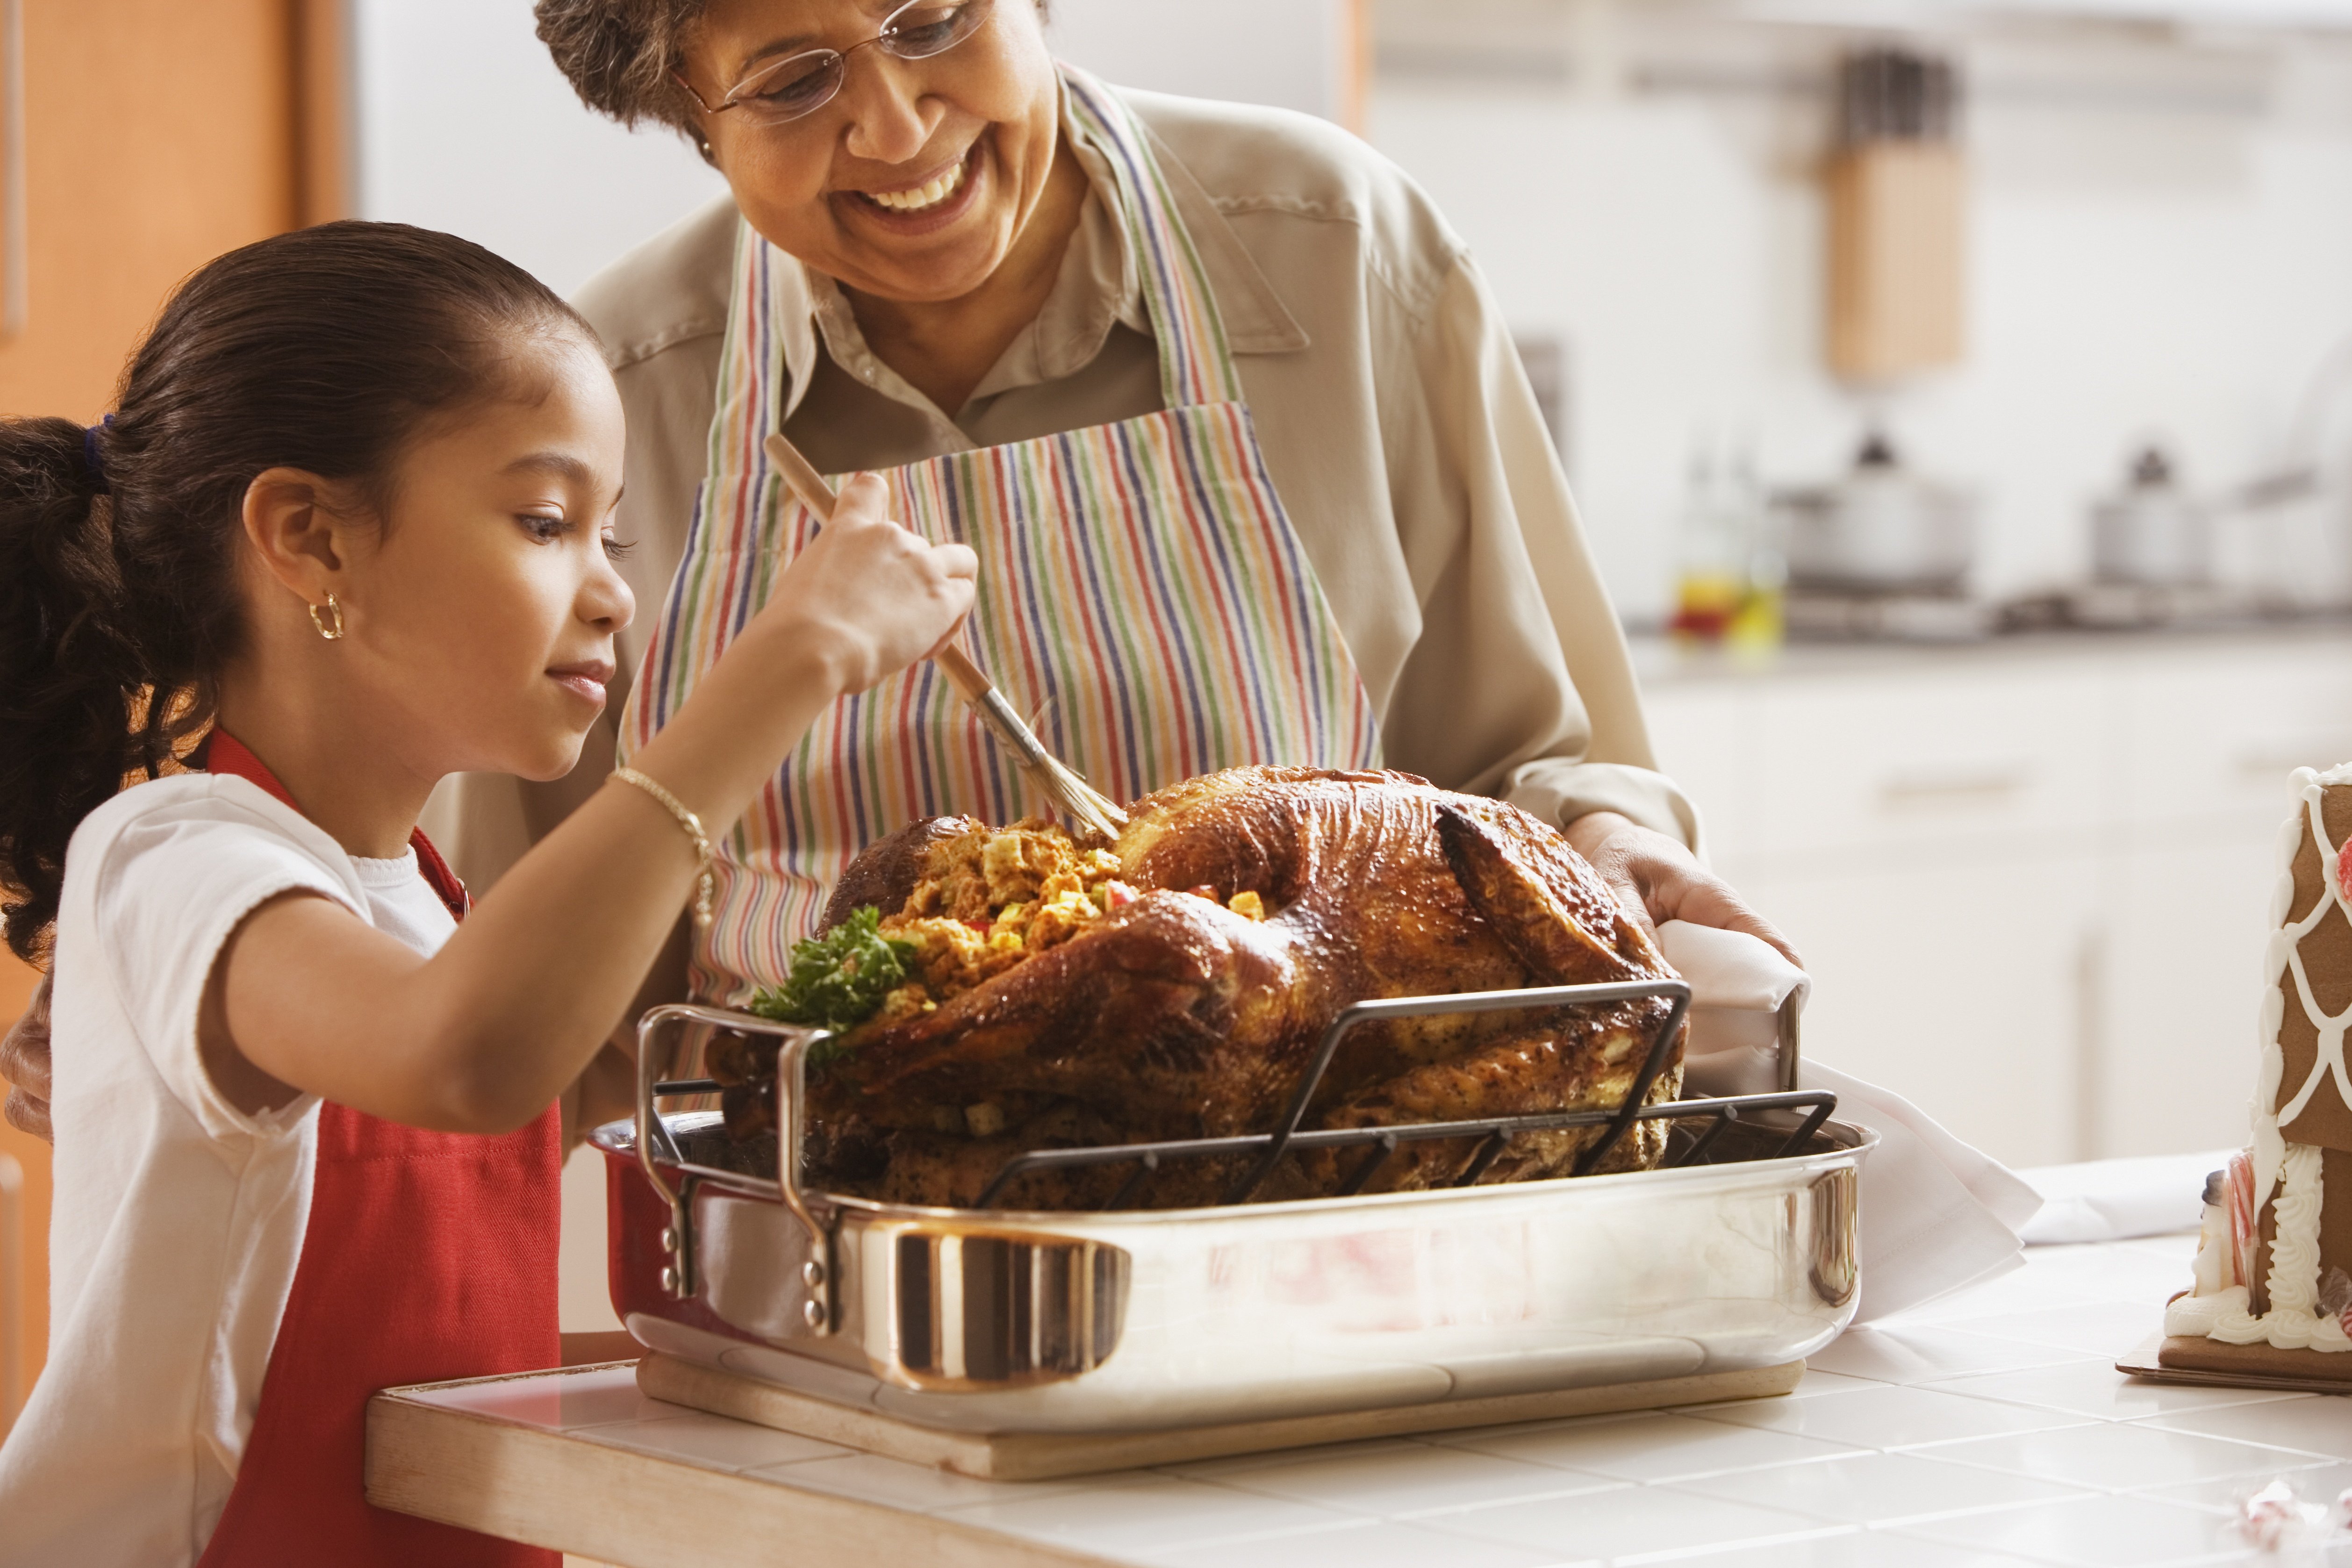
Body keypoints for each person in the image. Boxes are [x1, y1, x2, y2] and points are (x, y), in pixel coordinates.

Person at [0, 221, 974, 1565]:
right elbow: (466, 1055)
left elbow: (431, 1361)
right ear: (310, 538)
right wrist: (789, 662)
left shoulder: (430, 911)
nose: (615, 594)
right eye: (546, 521)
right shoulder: (174, 859)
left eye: (612, 534)